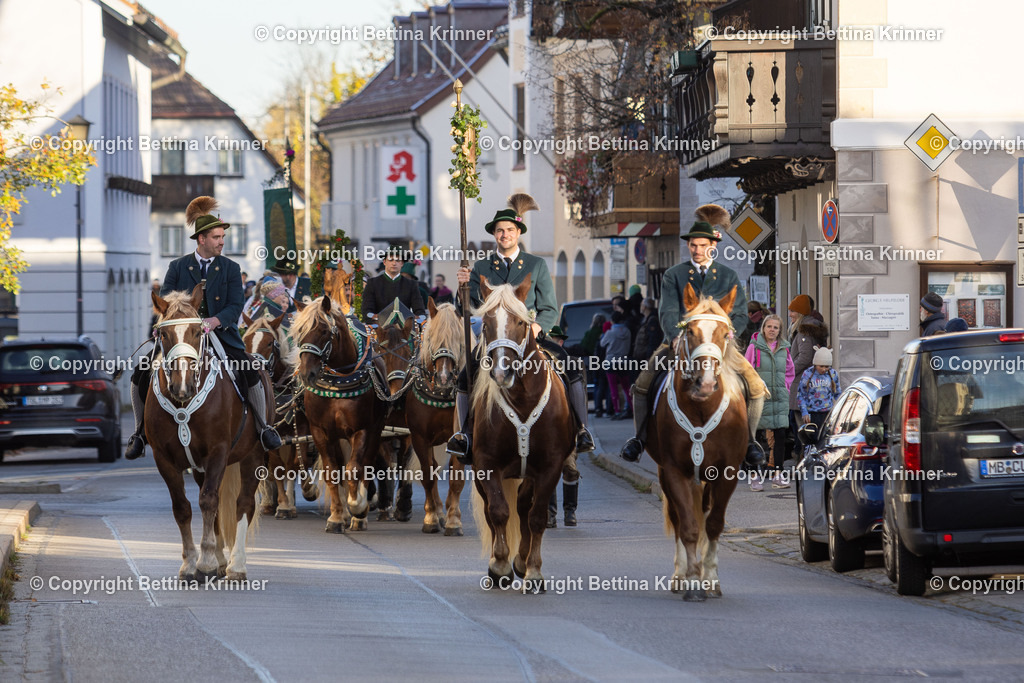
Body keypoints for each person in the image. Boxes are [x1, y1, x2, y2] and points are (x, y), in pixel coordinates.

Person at [125, 196, 281, 459]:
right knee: (141, 371)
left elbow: (236, 304)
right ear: (202, 239)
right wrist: (168, 324)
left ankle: (264, 427)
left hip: (222, 335)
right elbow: (165, 303)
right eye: (217, 237)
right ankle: (139, 433)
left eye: (222, 237)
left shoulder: (231, 268)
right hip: (182, 338)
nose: (222, 242)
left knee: (251, 370)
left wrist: (214, 321)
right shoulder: (177, 267)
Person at [447, 192, 595, 466]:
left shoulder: (536, 265)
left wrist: (538, 327)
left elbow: (549, 307)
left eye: (509, 230)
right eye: (500, 231)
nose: (504, 235)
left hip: (529, 336)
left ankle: (581, 430)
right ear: (495, 235)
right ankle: (465, 434)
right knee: (466, 374)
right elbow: (470, 308)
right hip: (494, 340)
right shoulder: (481, 267)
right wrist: (462, 287)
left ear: (518, 232)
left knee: (571, 367)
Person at [620, 204, 768, 465]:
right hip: (682, 342)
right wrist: (674, 335)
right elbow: (667, 311)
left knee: (756, 386)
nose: (697, 250)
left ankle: (750, 441)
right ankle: (639, 438)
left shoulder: (728, 275)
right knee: (643, 383)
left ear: (713, 246)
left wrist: (728, 333)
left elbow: (740, 313)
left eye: (702, 245)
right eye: (693, 245)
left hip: (720, 345)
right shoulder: (673, 275)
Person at [745, 314, 795, 491]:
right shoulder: (754, 347)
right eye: (769, 326)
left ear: (779, 330)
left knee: (780, 436)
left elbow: (790, 371)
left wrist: (785, 388)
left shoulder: (784, 348)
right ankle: (754, 476)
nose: (772, 330)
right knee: (756, 437)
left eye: (776, 327)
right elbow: (746, 370)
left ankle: (778, 475)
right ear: (763, 328)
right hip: (759, 398)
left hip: (779, 398)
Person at [544, 325, 581, 527]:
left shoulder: (567, 362)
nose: (557, 342)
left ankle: (570, 511)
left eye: (558, 339)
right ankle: (550, 513)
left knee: (570, 468)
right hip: (544, 430)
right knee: (547, 470)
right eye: (553, 338)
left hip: (565, 427)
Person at [361, 246, 426, 323]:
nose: (394, 263)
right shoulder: (372, 283)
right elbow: (367, 310)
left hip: (404, 327)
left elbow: (419, 310)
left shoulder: (411, 284)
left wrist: (418, 318)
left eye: (397, 260)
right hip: (380, 327)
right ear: (384, 262)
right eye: (390, 260)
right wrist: (375, 318)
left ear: (402, 263)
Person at [797, 347, 841, 435]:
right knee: (812, 437)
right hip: (812, 413)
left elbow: (838, 394)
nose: (824, 369)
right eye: (821, 366)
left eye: (826, 367)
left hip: (828, 413)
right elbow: (801, 394)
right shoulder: (807, 373)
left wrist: (840, 410)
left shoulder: (833, 374)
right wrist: (804, 412)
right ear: (815, 364)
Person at [600, 311, 633, 420]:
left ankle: (617, 411)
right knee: (626, 387)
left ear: (612, 321)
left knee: (613, 387)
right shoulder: (627, 331)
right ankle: (632, 408)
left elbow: (602, 343)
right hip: (624, 361)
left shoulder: (610, 333)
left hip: (611, 361)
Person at [632, 297, 663, 363]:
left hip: (645, 356)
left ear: (644, 307)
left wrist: (649, 355)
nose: (640, 307)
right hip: (642, 355)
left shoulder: (652, 320)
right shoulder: (645, 319)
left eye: (641, 305)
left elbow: (653, 339)